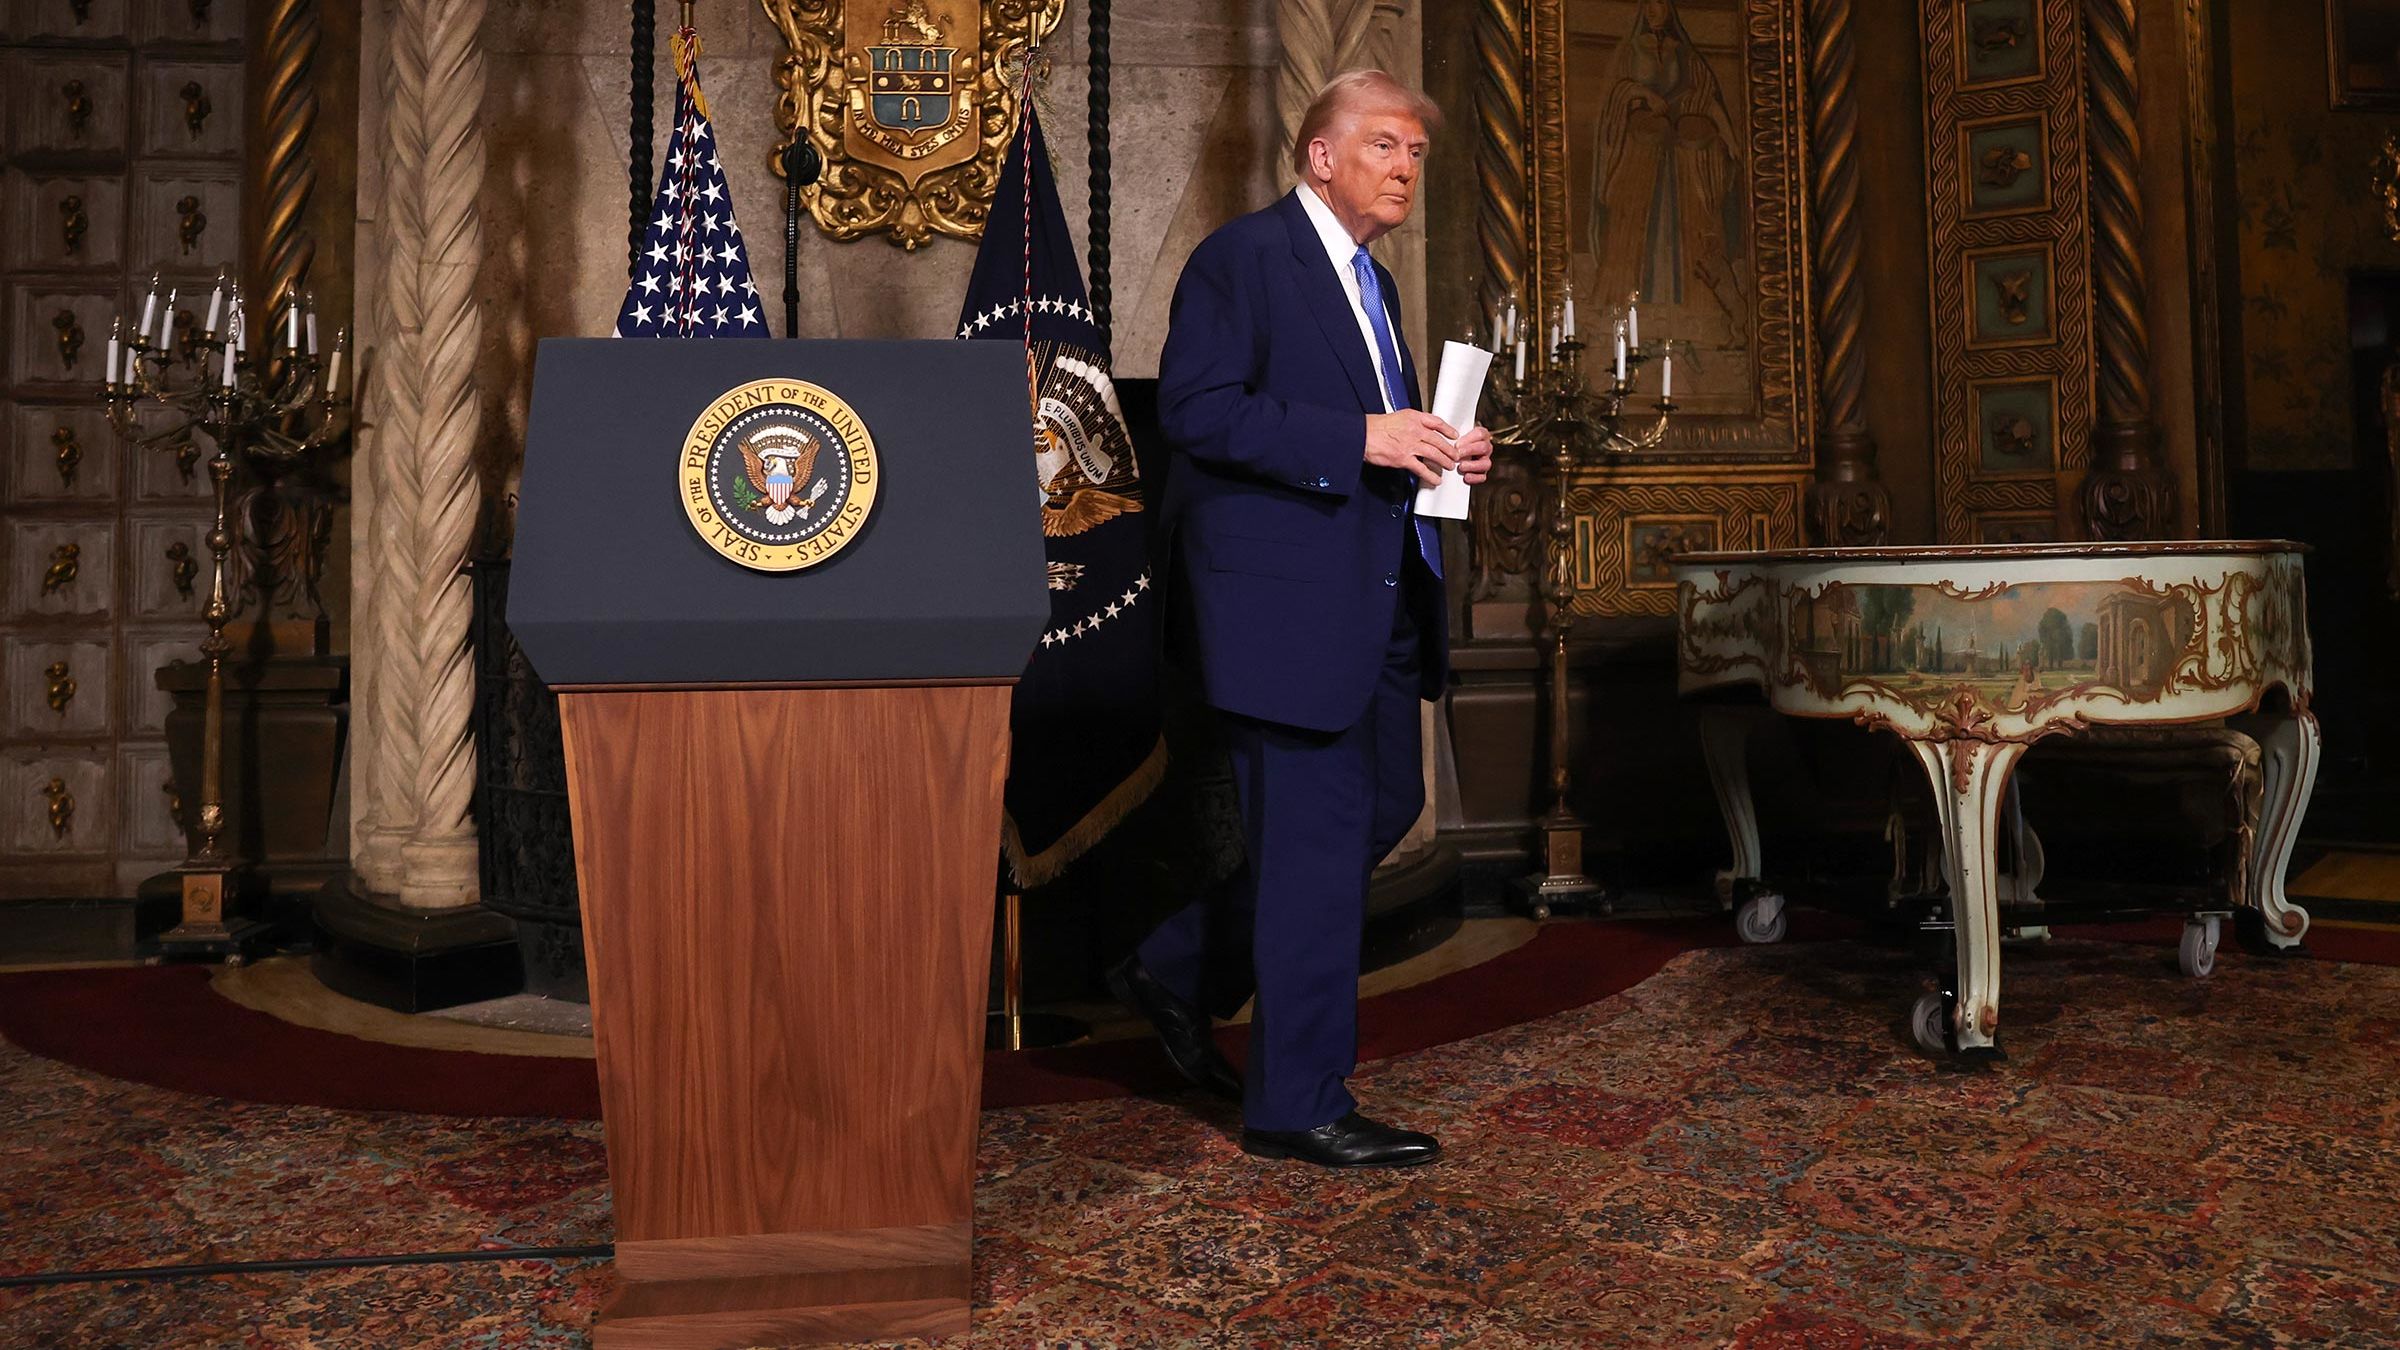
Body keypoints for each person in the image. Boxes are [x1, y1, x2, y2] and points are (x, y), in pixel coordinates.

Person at [1107, 70, 1494, 1169]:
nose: (1405, 167)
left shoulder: (1379, 287)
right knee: (1319, 850)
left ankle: (1176, 967)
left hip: (1379, 603)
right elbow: (1195, 410)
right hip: (1287, 613)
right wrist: (1362, 440)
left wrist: (1442, 450)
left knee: (1381, 808)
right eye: (1384, 145)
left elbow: (1382, 431)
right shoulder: (1244, 260)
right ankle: (1296, 1105)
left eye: (1416, 151)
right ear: (1321, 157)